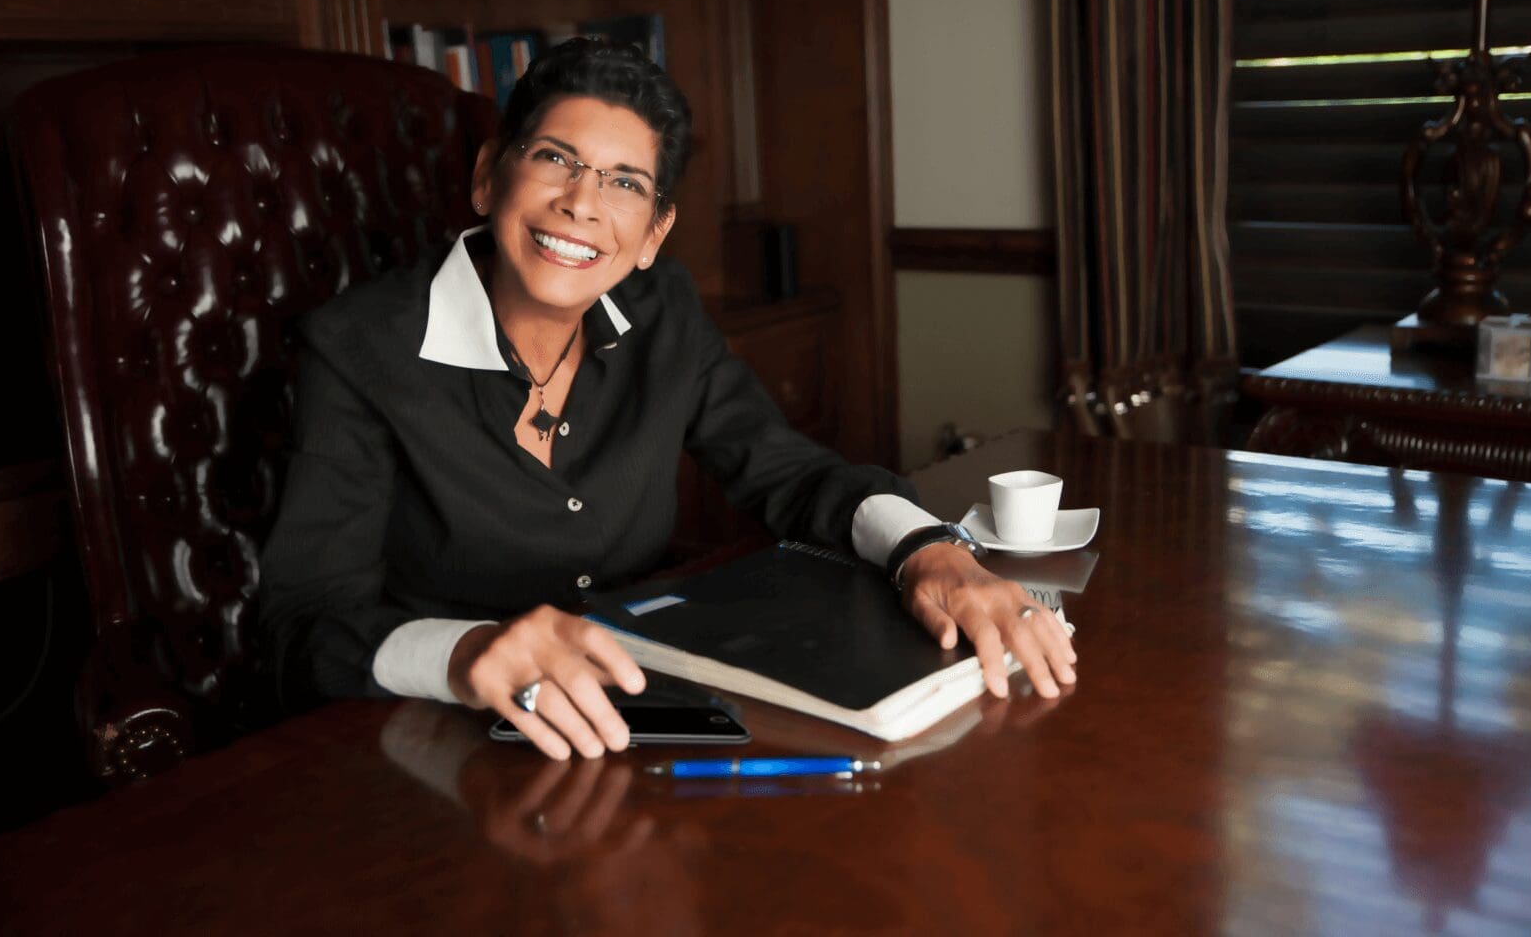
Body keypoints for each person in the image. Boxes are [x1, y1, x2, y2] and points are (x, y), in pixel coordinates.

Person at [259, 38, 1075, 760]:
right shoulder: (358, 347)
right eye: (553, 157)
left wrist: (932, 555)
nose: (581, 201)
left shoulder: (661, 312)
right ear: (486, 177)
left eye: (623, 181)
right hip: (440, 746)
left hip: (637, 722)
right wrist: (469, 652)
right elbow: (305, 626)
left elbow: (785, 470)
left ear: (653, 232)